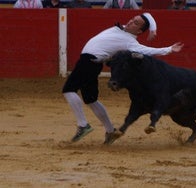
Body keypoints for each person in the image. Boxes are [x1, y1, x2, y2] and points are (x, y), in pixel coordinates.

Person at [62, 12, 184, 145]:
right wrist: (153, 28)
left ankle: (83, 125)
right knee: (91, 100)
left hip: (88, 62)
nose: (131, 22)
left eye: (136, 23)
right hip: (92, 63)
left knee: (69, 90)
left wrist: (169, 49)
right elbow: (147, 15)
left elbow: (148, 51)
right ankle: (110, 131)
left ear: (138, 31)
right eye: (133, 19)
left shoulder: (130, 42)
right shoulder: (124, 30)